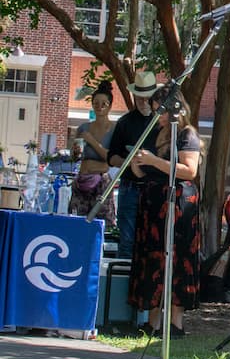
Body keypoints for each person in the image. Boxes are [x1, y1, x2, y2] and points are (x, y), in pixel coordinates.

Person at [127, 90, 203, 336]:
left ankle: (176, 323)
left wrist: (153, 161)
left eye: (161, 110)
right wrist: (137, 164)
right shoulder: (154, 133)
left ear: (174, 110)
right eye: (155, 110)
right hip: (153, 204)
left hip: (178, 205)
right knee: (153, 258)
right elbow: (144, 173)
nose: (157, 116)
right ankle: (153, 321)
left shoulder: (186, 134)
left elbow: (189, 170)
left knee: (177, 258)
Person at [107, 71, 161, 258]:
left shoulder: (162, 122)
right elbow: (112, 157)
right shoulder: (125, 122)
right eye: (140, 98)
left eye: (147, 98)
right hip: (130, 186)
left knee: (153, 240)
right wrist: (129, 162)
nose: (143, 102)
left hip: (155, 187)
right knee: (127, 241)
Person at [68, 80, 117, 225]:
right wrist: (75, 152)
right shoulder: (83, 128)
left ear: (110, 106)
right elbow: (75, 157)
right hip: (82, 179)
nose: (99, 107)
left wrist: (92, 141)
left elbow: (110, 158)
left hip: (101, 181)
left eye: (104, 104)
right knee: (76, 222)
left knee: (101, 223)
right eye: (96, 103)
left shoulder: (114, 130)